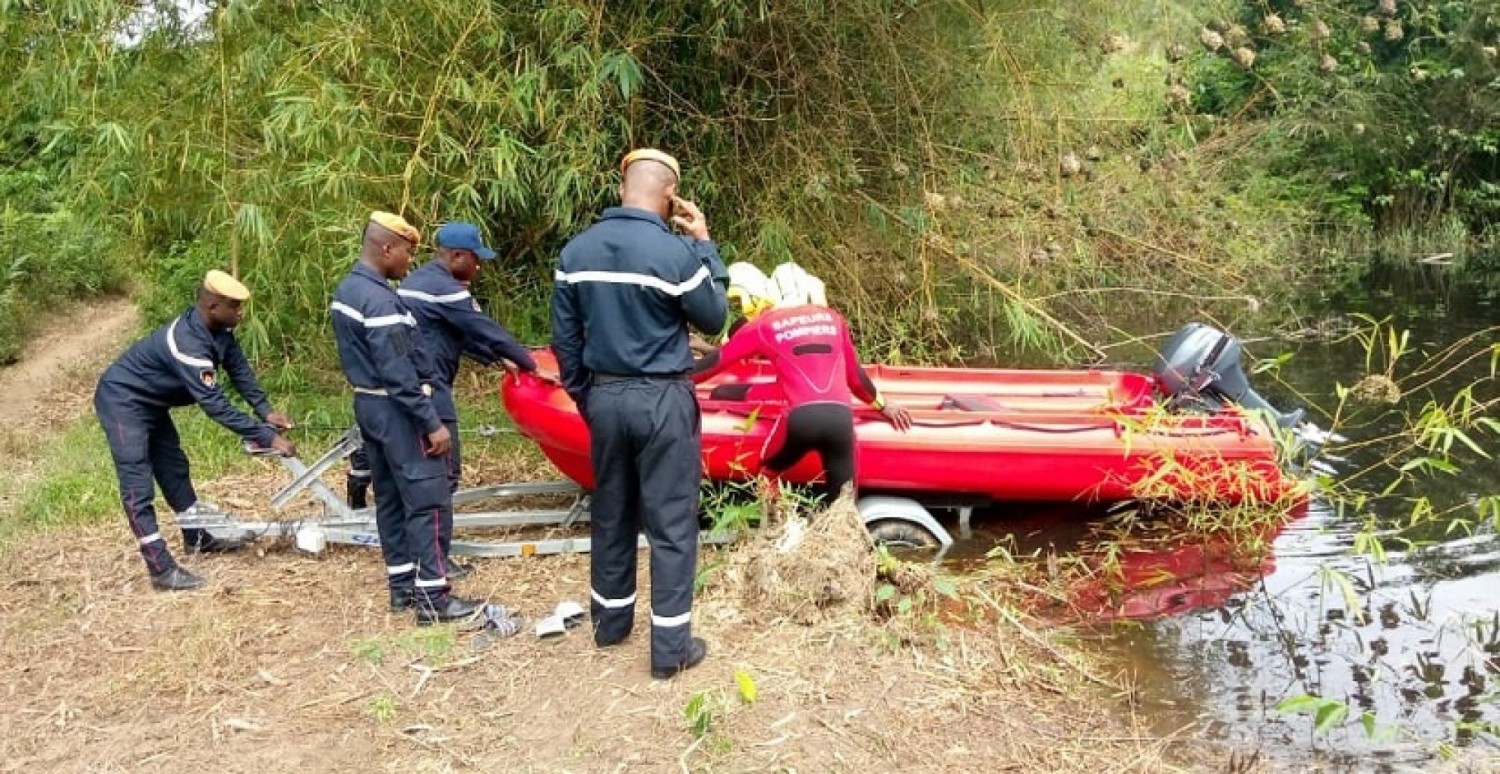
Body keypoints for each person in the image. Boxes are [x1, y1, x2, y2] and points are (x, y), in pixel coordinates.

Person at [551, 148, 729, 679]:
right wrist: (705, 245)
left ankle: (610, 623)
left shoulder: (575, 252)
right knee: (672, 523)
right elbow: (715, 318)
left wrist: (589, 398)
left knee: (612, 510)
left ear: (622, 185)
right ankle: (670, 649)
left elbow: (565, 340)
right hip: (662, 399)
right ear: (671, 195)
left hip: (605, 397)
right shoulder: (674, 255)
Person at [94, 270, 296, 591]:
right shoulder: (189, 345)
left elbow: (239, 370)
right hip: (123, 400)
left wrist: (265, 410)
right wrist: (266, 435)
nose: (241, 313)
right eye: (235, 306)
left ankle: (197, 536)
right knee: (137, 481)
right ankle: (160, 568)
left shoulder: (219, 332)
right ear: (213, 306)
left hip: (152, 402)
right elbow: (215, 406)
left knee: (174, 467)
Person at [331, 211, 479, 625]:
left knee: (391, 499)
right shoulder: (379, 300)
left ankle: (402, 587)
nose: (411, 262)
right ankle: (434, 596)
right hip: (398, 410)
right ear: (386, 248)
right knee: (429, 499)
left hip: (369, 406)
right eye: (407, 253)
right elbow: (398, 368)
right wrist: (430, 422)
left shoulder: (350, 289)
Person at [692, 261, 914, 504]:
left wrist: (671, 378)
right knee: (843, 506)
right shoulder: (834, 319)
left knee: (767, 470)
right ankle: (840, 536)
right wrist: (884, 406)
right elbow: (856, 379)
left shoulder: (765, 324)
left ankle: (775, 522)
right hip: (841, 423)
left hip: (799, 421)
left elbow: (716, 362)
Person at [393, 220, 538, 578]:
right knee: (444, 473)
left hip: (410, 383)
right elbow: (484, 329)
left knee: (419, 471)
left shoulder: (421, 282)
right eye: (475, 259)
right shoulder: (445, 288)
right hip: (429, 386)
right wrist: (530, 363)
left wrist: (495, 358)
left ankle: (415, 554)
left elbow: (455, 335)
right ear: (456, 255)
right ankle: (434, 562)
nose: (479, 266)